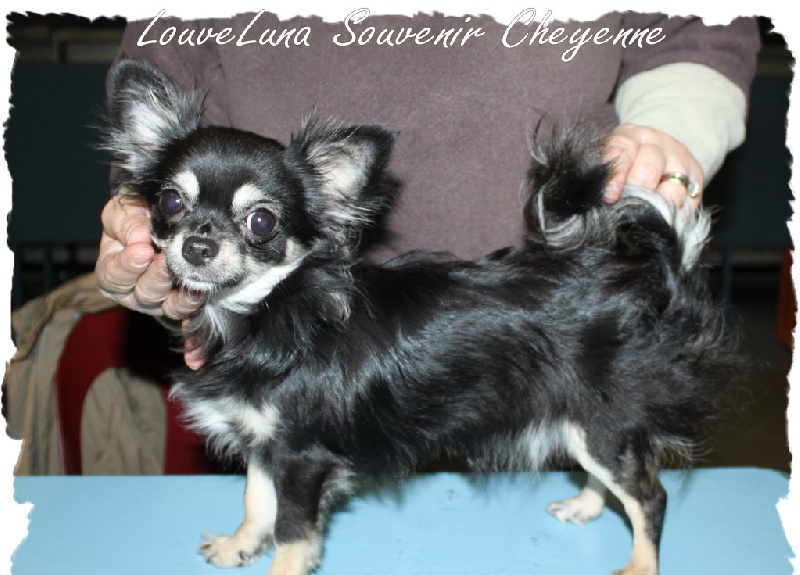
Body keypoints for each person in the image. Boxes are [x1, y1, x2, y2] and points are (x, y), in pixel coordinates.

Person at [95, 10, 760, 367]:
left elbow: (701, 26)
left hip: (563, 340)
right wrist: (147, 225)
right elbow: (161, 63)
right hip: (288, 361)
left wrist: (668, 131)